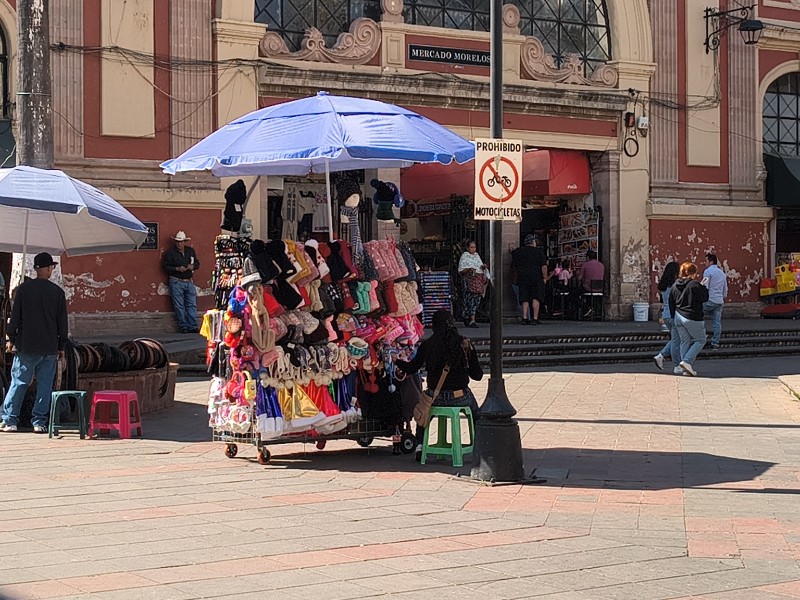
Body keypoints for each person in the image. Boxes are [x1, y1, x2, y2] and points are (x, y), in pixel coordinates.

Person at [396, 310, 483, 461]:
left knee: (423, 410)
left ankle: (420, 446)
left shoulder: (428, 345)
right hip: (460, 396)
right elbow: (478, 376)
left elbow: (411, 368)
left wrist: (395, 360)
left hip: (434, 397)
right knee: (476, 414)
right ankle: (481, 445)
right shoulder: (464, 344)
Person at [1, 252, 68, 433]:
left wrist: (11, 338)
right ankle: (39, 422)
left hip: (26, 345)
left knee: (19, 383)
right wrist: (61, 346)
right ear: (47, 269)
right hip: (49, 347)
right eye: (51, 267)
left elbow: (15, 318)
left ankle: (10, 420)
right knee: (45, 385)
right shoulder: (58, 293)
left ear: (36, 268)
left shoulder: (23, 290)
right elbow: (63, 324)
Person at [669, 261, 709, 377]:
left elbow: (671, 302)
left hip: (678, 316)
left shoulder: (675, 285)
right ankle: (687, 361)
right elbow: (704, 298)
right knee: (700, 340)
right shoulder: (695, 285)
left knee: (684, 341)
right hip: (692, 316)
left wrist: (673, 317)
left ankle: (685, 368)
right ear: (693, 273)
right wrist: (704, 287)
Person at [162, 230, 200, 334]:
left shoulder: (190, 251)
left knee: (191, 304)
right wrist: (177, 269)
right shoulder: (170, 253)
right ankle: (183, 326)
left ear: (184, 242)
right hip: (176, 281)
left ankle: (192, 325)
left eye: (181, 241)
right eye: (178, 242)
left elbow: (197, 263)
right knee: (179, 305)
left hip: (189, 280)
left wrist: (193, 266)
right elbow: (165, 267)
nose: (180, 244)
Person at [512, 234, 547, 325]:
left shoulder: (518, 252)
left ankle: (524, 317)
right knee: (536, 297)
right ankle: (535, 318)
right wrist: (545, 277)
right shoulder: (539, 252)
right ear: (533, 242)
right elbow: (543, 266)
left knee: (524, 298)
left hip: (522, 277)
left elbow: (514, 266)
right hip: (536, 277)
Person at [653, 261, 681, 373]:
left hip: (665, 314)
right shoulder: (676, 285)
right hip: (674, 315)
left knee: (676, 339)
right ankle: (675, 364)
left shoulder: (663, 286)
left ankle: (663, 356)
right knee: (676, 340)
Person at [458, 240, 487, 328]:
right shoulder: (464, 257)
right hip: (469, 281)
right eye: (471, 247)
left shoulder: (477, 256)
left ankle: (470, 317)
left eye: (474, 247)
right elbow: (461, 270)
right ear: (467, 248)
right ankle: (470, 319)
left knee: (477, 300)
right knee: (469, 300)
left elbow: (480, 266)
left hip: (478, 281)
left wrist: (483, 267)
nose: (473, 249)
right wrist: (469, 269)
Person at [702, 253, 728, 350]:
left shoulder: (707, 272)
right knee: (717, 323)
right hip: (719, 300)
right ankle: (715, 343)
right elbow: (725, 289)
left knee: (699, 317)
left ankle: (701, 338)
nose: (705, 263)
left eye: (706, 261)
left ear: (711, 261)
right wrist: (722, 296)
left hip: (709, 299)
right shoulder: (722, 273)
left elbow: (705, 286)